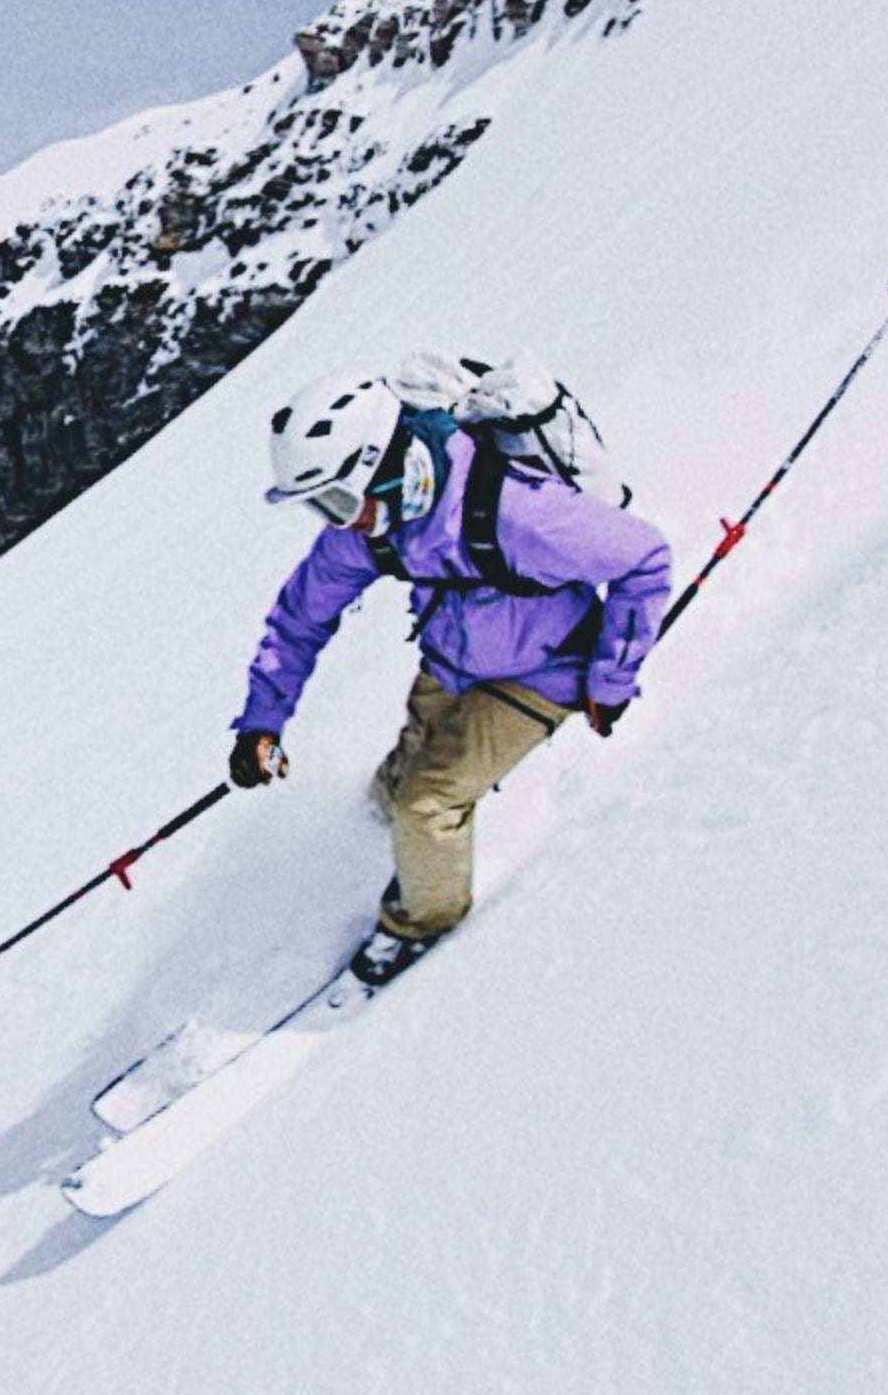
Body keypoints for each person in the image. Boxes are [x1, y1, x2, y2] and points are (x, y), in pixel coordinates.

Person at [227, 366, 672, 986]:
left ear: (386, 466)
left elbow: (643, 559)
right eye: (320, 507)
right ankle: (407, 860)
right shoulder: (368, 529)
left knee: (425, 803)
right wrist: (262, 722)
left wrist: (610, 683)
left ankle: (422, 921)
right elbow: (300, 618)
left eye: (339, 500)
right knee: (393, 788)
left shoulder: (519, 513)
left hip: (543, 671)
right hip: (450, 662)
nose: (338, 521)